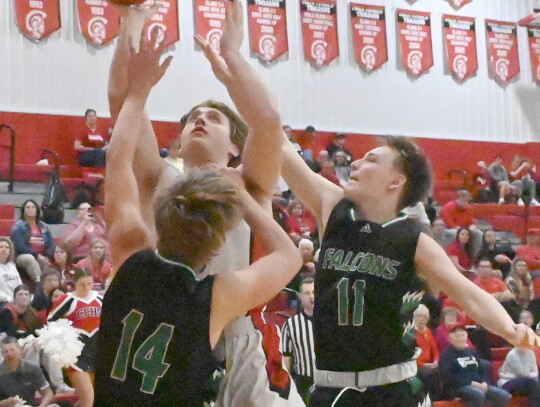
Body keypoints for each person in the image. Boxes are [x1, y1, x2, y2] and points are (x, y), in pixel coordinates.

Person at [93, 26, 301, 406]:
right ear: (179, 140)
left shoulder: (249, 183)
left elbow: (267, 122)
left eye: (215, 119)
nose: (201, 120)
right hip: (172, 317)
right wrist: (128, 28)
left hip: (234, 338)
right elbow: (120, 101)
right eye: (193, 118)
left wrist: (232, 61)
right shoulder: (159, 177)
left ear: (236, 146)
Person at [281, 133, 539, 407]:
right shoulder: (334, 208)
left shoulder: (413, 239)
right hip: (331, 387)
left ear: (396, 181)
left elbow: (469, 294)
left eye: (371, 160)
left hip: (392, 389)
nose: (355, 164)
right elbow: (277, 145)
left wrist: (510, 329)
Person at [48, 268, 102, 407]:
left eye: (89, 284)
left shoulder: (100, 298)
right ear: (74, 284)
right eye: (82, 284)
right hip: (76, 356)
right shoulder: (67, 300)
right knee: (88, 399)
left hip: (98, 352)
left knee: (89, 401)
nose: (86, 288)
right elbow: (50, 322)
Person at [439, 324, 511, 407]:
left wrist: (484, 382)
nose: (460, 338)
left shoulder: (472, 351)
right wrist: (472, 383)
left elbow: (482, 370)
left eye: (462, 335)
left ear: (466, 337)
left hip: (478, 384)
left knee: (503, 395)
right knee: (478, 394)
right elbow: (449, 378)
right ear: (450, 339)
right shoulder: (446, 355)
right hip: (458, 387)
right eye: (457, 336)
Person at [282, 278, 316, 404]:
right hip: (304, 382)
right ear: (300, 297)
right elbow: (286, 358)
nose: (311, 296)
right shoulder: (291, 325)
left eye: (313, 292)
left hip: (327, 381)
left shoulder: (330, 320)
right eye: (307, 293)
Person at [0, 337, 55, 407]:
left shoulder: (32, 368)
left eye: (12, 350)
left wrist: (42, 405)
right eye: (6, 352)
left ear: (20, 351)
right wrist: (4, 403)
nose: (10, 354)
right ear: (2, 354)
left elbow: (47, 392)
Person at [9, 200, 53, 284]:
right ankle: (40, 284)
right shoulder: (18, 227)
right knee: (30, 258)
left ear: (37, 210)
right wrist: (38, 255)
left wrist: (47, 255)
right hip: (21, 256)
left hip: (42, 255)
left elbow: (50, 244)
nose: (30, 209)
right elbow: (21, 247)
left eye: (33, 207)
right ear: (23, 211)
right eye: (28, 207)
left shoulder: (44, 227)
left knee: (51, 261)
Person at [413, 304, 441, 401]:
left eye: (424, 316)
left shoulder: (428, 331)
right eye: (419, 316)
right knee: (428, 375)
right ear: (414, 318)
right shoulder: (410, 334)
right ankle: (430, 400)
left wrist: (436, 360)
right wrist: (425, 365)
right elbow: (410, 357)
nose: (422, 319)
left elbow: (434, 349)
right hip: (417, 366)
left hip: (429, 364)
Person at [0, 238, 22, 308]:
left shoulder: (12, 266)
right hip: (3, 302)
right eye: (1, 247)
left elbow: (19, 285)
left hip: (15, 301)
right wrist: (10, 299)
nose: (4, 249)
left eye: (7, 247)